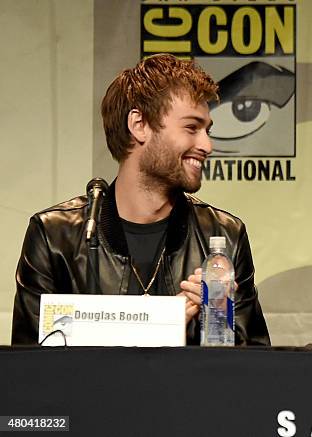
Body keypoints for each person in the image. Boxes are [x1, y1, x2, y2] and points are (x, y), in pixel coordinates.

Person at [12, 54, 270, 346]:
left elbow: (254, 371)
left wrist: (215, 323)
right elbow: (29, 373)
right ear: (139, 125)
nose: (207, 145)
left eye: (207, 130)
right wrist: (163, 324)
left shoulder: (225, 235)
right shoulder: (54, 237)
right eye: (191, 127)